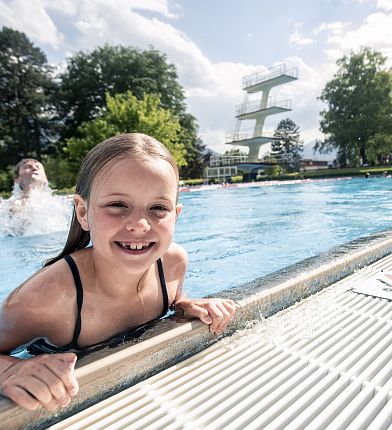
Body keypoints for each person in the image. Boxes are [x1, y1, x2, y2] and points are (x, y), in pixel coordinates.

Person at [0, 133, 236, 412]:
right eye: (117, 205)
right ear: (83, 212)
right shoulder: (49, 297)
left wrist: (183, 304)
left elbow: (173, 300)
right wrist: (9, 371)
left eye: (158, 208)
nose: (139, 224)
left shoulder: (172, 264)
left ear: (176, 215)